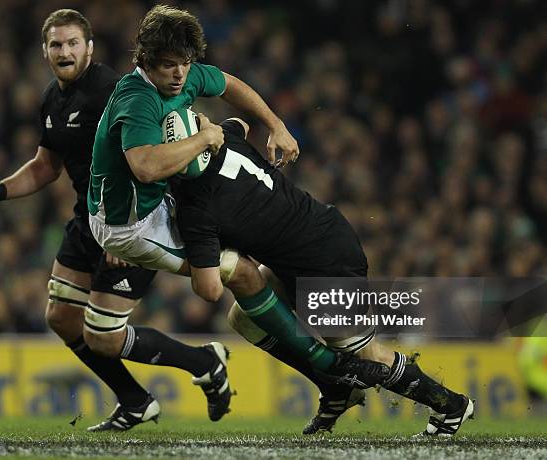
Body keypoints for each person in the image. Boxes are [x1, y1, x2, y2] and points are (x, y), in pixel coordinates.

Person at [87, 4, 389, 396]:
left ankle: (327, 374)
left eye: (185, 63)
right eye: (168, 66)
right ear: (145, 61)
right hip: (131, 225)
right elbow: (144, 166)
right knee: (240, 274)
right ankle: (328, 366)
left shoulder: (181, 76)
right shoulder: (139, 100)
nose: (179, 74)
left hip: (148, 202)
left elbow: (230, 85)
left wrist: (276, 125)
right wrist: (204, 138)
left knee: (238, 261)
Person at [0, 8, 233, 432]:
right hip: (88, 217)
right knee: (61, 317)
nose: (64, 51)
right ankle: (135, 400)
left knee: (103, 332)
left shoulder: (112, 90)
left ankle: (203, 361)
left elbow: (153, 155)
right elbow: (46, 164)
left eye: (72, 43)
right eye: (56, 44)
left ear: (89, 47)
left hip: (129, 218)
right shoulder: (53, 97)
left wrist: (124, 233)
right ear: (45, 51)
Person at [174, 117, 475, 436]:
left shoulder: (196, 207)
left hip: (322, 257)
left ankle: (451, 405)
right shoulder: (226, 137)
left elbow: (208, 288)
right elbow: (240, 123)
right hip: (306, 242)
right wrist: (212, 128)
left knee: (364, 354)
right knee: (244, 318)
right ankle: (334, 387)